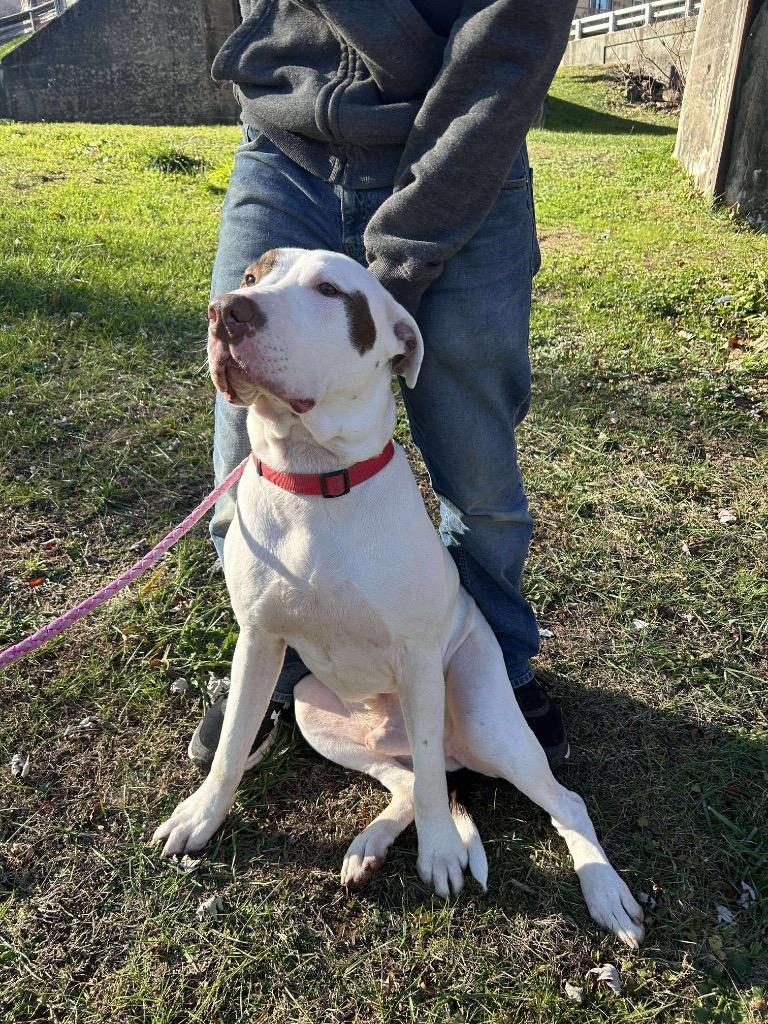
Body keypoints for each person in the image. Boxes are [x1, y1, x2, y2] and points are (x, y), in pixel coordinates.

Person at [188, 0, 578, 774]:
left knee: (476, 462)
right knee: (242, 450)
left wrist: (382, 281)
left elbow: (514, 33)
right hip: (284, 143)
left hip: (467, 149)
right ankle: (278, 654)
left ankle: (489, 663)